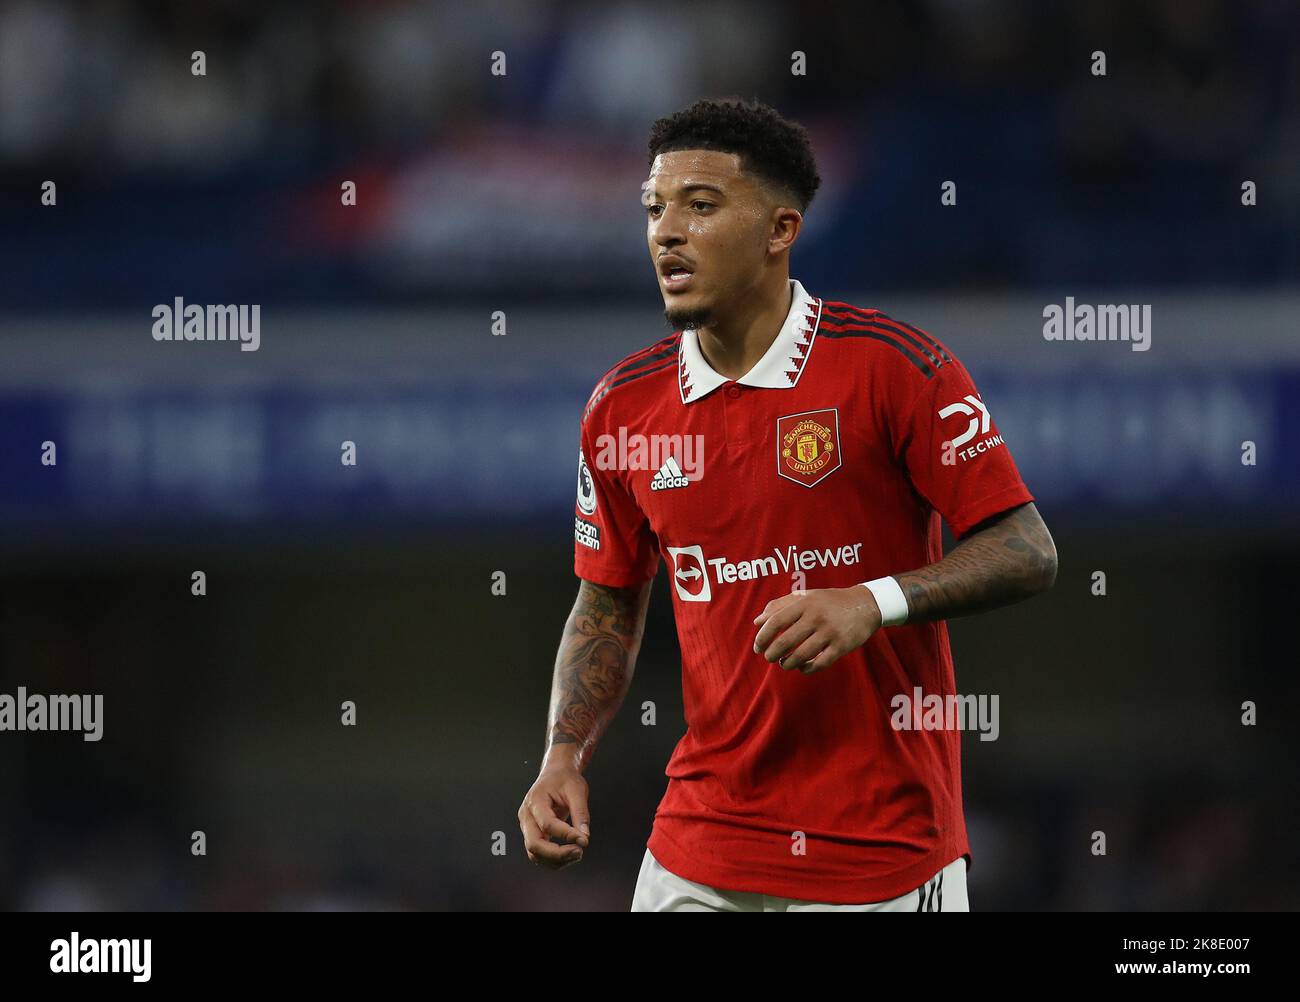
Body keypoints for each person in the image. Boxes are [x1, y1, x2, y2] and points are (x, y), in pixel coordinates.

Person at [518, 98, 1057, 911]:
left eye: (701, 206)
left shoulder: (893, 368)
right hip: (699, 848)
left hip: (882, 856)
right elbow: (607, 602)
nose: (667, 231)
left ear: (780, 230)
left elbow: (1027, 549)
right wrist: (562, 757)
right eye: (654, 209)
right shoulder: (621, 407)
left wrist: (873, 602)